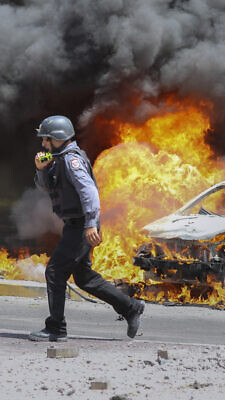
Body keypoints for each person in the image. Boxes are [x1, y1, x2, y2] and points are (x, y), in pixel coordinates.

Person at [29, 115, 145, 342]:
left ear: (58, 139)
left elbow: (89, 192)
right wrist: (41, 169)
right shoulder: (59, 158)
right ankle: (130, 308)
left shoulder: (72, 161)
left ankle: (56, 329)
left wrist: (91, 223)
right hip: (76, 224)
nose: (43, 144)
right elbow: (46, 188)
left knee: (54, 272)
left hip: (82, 225)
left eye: (46, 139)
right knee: (84, 278)